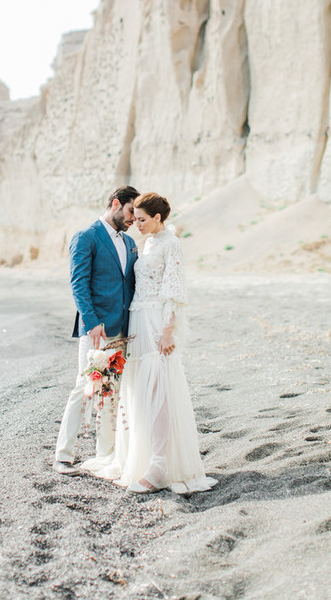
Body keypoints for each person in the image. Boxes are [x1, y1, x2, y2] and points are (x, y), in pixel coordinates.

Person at [82, 192, 218, 494]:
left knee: (159, 391)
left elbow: (174, 289)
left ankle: (159, 465)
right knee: (140, 392)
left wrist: (168, 330)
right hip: (138, 321)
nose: (137, 224)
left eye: (142, 219)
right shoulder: (149, 243)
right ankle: (140, 459)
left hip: (156, 322)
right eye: (135, 218)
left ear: (158, 218)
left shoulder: (171, 243)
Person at [53, 185, 140, 475]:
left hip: (124, 329)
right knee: (85, 387)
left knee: (111, 392)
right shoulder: (86, 237)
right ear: (115, 204)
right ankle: (63, 455)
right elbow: (78, 283)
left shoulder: (130, 243)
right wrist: (91, 322)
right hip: (97, 330)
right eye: (130, 211)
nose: (133, 218)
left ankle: (106, 454)